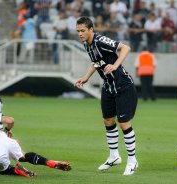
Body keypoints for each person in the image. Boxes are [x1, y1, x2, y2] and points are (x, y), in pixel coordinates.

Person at [75, 16, 138, 176]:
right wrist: (86, 77)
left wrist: (115, 65)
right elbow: (97, 62)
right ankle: (114, 156)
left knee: (124, 123)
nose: (80, 34)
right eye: (78, 31)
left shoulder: (100, 40)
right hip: (109, 87)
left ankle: (132, 160)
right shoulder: (87, 44)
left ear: (91, 30)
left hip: (123, 85)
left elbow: (126, 48)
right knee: (108, 121)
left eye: (83, 31)